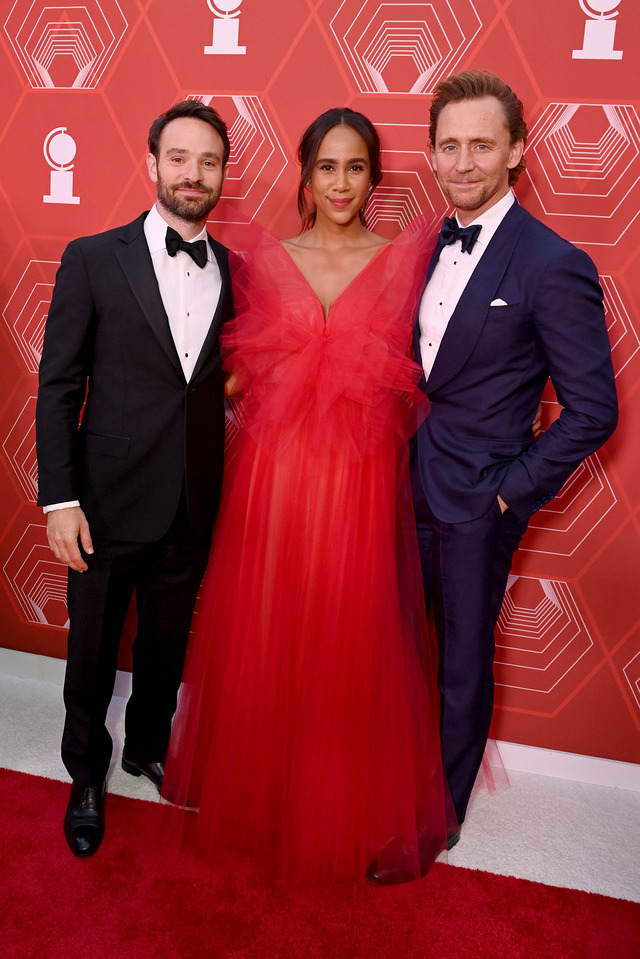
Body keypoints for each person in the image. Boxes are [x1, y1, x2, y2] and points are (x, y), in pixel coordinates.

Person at [162, 108, 449, 883]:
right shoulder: (263, 259)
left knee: (348, 632)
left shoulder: (401, 262)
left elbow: (414, 375)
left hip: (357, 479)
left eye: (356, 167)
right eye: (327, 166)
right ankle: (267, 787)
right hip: (274, 474)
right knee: (272, 624)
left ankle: (340, 795)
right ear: (306, 173)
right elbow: (235, 371)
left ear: (374, 176)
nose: (341, 183)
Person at [408, 71, 618, 857]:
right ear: (432, 153)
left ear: (517, 151)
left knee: (461, 663)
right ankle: (391, 777)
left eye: (481, 145)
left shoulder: (552, 261)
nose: (463, 162)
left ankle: (437, 816)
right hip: (403, 487)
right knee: (398, 649)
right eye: (450, 145)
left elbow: (595, 410)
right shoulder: (425, 242)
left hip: (476, 503)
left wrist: (507, 495)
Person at [35, 100, 234, 857]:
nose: (193, 173)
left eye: (209, 161)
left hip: (191, 497)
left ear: (221, 175)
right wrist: (60, 498)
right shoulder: (93, 256)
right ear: (152, 165)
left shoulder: (235, 271)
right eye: (179, 158)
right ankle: (84, 774)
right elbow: (59, 384)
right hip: (103, 499)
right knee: (90, 647)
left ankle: (147, 745)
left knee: (167, 643)